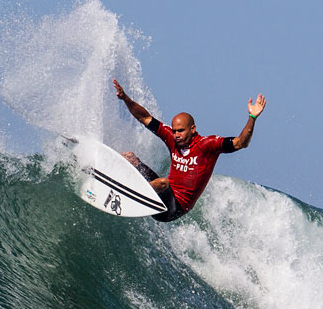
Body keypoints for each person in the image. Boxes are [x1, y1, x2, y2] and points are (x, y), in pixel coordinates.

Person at [113, 79, 266, 222]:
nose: (176, 135)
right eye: (174, 131)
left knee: (162, 182)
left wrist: (252, 117)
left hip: (174, 209)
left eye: (180, 131)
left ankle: (130, 193)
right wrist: (126, 98)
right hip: (163, 194)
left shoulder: (207, 146)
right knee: (130, 158)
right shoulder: (171, 138)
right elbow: (145, 118)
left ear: (193, 129)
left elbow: (241, 143)